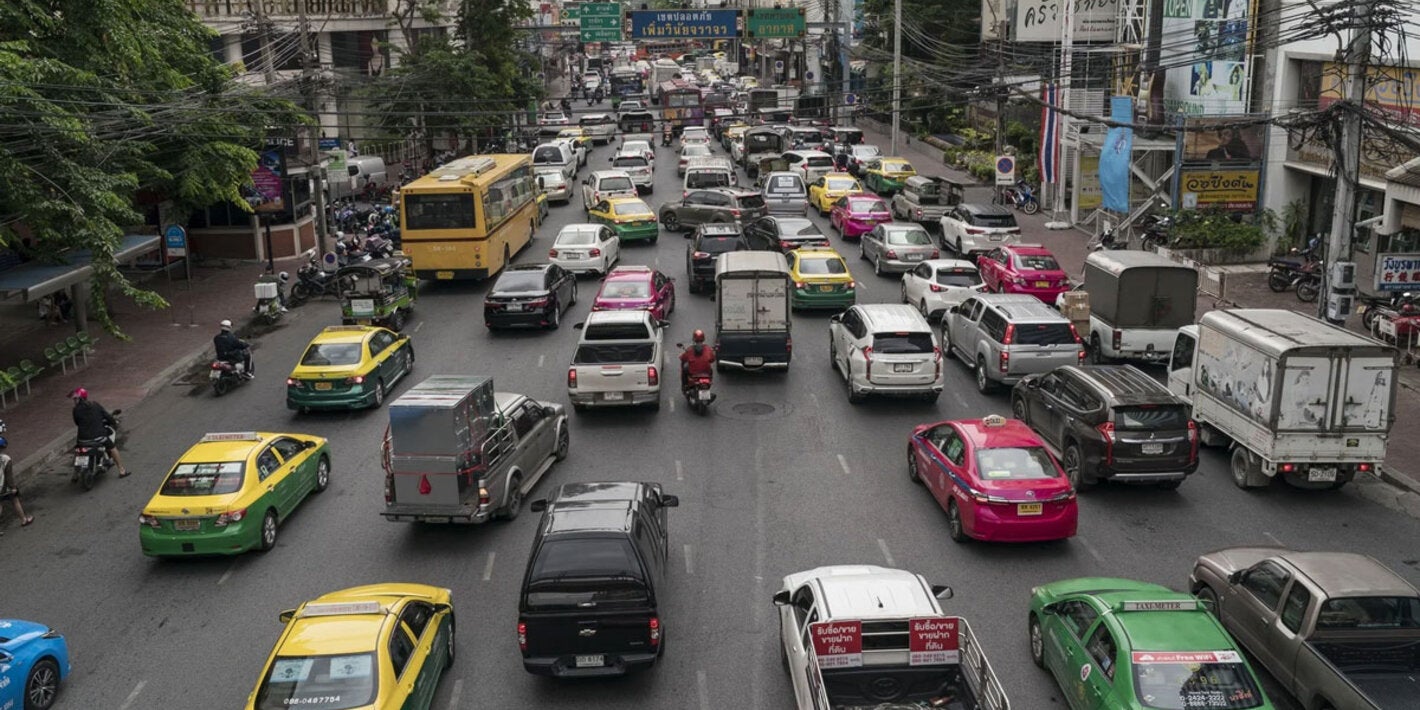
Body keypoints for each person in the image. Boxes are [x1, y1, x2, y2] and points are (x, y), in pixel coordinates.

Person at [71, 388, 127, 479]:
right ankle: (121, 470)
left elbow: (77, 423)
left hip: (82, 439)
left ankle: (75, 474)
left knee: (78, 450)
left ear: (80, 399)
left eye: (75, 399)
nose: (74, 401)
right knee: (112, 448)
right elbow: (107, 416)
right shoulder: (95, 405)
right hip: (98, 437)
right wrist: (113, 422)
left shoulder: (75, 410)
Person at [0, 433, 34, 532]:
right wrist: (13, 487)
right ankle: (24, 519)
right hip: (4, 486)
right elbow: (8, 476)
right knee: (15, 500)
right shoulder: (6, 459)